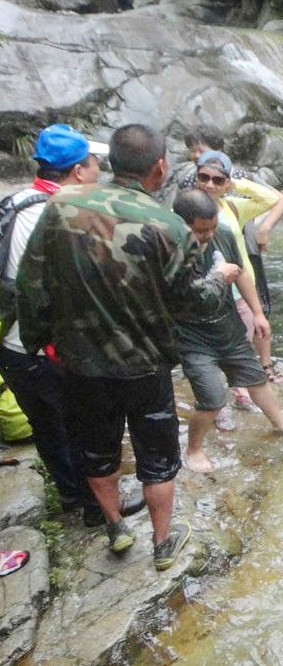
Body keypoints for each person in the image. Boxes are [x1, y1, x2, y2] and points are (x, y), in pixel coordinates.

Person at [15, 123, 241, 569]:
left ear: (109, 163)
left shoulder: (60, 210)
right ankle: (161, 545)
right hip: (146, 364)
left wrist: (37, 340)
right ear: (159, 167)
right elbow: (193, 302)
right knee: (157, 457)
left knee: (97, 451)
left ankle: (116, 528)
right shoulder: (169, 226)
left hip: (82, 362)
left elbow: (31, 284)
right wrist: (220, 278)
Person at [0, 124, 146, 527]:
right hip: (43, 349)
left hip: (16, 347)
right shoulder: (53, 214)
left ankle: (74, 498)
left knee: (51, 429)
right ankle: (96, 508)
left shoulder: (18, 202)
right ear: (79, 170)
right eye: (94, 162)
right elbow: (56, 293)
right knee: (80, 427)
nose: (99, 168)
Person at [171, 189, 283, 473]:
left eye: (212, 227)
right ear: (181, 224)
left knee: (255, 377)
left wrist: (257, 313)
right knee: (212, 398)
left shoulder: (225, 235)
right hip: (192, 337)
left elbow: (241, 273)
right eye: (200, 230)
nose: (207, 235)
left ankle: (282, 424)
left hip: (226, 325)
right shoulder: (171, 247)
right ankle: (194, 450)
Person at [194, 150, 283, 403]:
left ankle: (238, 389)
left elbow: (271, 198)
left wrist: (235, 183)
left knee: (243, 342)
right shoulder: (185, 208)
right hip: (204, 289)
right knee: (210, 348)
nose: (209, 184)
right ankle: (217, 402)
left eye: (217, 180)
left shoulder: (233, 207)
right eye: (204, 177)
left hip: (239, 287)